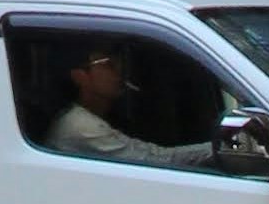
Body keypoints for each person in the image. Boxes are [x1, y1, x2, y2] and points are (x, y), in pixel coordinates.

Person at [46, 38, 214, 168]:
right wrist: (221, 149)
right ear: (80, 77)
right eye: (108, 65)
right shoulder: (81, 127)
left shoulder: (99, 117)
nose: (119, 72)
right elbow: (155, 160)